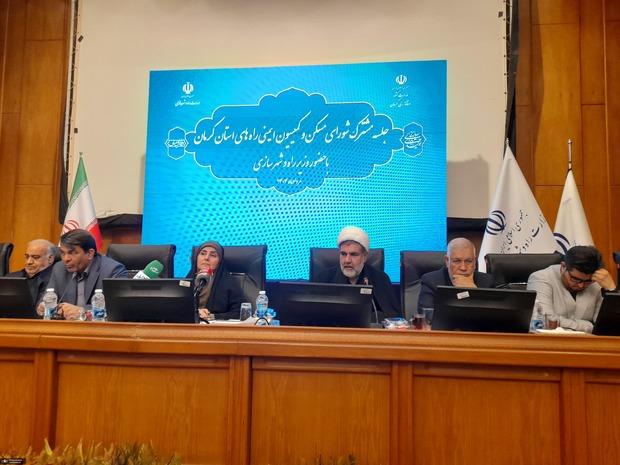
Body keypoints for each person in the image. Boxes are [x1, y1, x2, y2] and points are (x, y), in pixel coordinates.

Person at [313, 226, 401, 322]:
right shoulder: (324, 278)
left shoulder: (380, 279)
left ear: (365, 256)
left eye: (354, 254)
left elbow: (392, 318)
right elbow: (312, 315)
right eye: (343, 254)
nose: (347, 260)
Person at [37, 229, 127, 319]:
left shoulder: (112, 270)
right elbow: (46, 298)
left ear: (90, 254)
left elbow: (119, 309)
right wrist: (43, 306)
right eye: (63, 253)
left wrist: (82, 312)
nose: (66, 259)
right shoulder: (59, 269)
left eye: (72, 252)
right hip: (66, 326)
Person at [527, 245, 617, 333]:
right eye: (576, 279)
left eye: (587, 281)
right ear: (563, 267)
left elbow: (607, 325)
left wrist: (612, 290)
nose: (581, 285)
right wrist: (589, 326)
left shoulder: (596, 281)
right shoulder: (541, 278)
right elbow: (545, 321)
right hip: (550, 340)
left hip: (588, 341)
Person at [418, 237, 495, 312]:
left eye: (468, 261)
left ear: (475, 261)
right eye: (457, 261)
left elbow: (493, 316)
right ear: (447, 261)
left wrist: (474, 292)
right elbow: (427, 316)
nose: (463, 268)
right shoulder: (431, 281)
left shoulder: (486, 282)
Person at [188, 241, 244, 321]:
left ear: (219, 261)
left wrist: (211, 316)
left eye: (213, 255)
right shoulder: (186, 281)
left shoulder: (229, 283)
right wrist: (195, 313)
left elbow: (239, 313)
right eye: (203, 254)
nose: (206, 258)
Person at [6, 239, 56, 305]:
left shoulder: (57, 281)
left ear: (50, 258)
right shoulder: (10, 278)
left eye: (35, 257)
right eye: (27, 257)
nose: (29, 262)